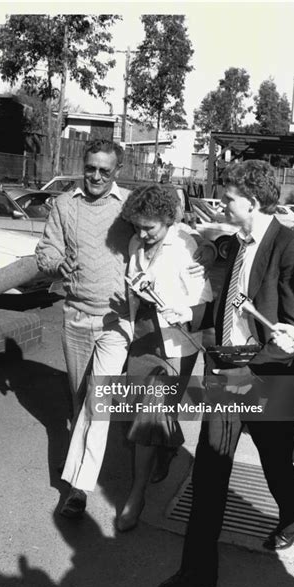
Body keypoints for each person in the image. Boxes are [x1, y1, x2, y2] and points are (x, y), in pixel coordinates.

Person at [35, 140, 215, 519]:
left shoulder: (135, 212)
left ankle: (83, 491)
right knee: (86, 399)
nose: (96, 176)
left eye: (105, 170)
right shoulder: (69, 207)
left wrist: (209, 252)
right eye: (90, 168)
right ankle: (166, 443)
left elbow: (196, 244)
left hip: (131, 328)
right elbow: (46, 252)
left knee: (98, 404)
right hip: (87, 319)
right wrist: (57, 266)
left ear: (117, 171)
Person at [157, 160, 294, 587]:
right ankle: (198, 570)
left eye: (228, 197)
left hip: (268, 379)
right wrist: (188, 313)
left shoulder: (293, 249)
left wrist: (250, 359)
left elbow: (293, 333)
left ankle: (293, 512)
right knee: (210, 473)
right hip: (228, 374)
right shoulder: (238, 243)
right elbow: (227, 305)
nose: (222, 203)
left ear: (253, 202)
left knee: (277, 463)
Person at [116, 184, 213, 532]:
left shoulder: (187, 246)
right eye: (138, 226)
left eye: (150, 228)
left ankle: (135, 496)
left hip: (175, 344)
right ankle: (168, 449)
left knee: (148, 417)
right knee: (150, 415)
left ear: (168, 219)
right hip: (141, 340)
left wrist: (182, 310)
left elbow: (204, 299)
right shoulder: (134, 243)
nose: (142, 234)